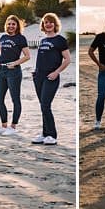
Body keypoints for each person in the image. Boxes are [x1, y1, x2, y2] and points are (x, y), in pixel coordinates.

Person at [32, 13, 71, 145]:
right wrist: (35, 71)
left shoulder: (60, 40)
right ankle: (44, 134)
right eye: (45, 22)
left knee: (45, 105)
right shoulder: (43, 40)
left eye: (50, 22)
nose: (48, 24)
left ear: (55, 24)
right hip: (38, 77)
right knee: (42, 106)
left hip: (51, 77)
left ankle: (52, 135)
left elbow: (67, 59)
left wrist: (56, 72)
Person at [0, 15, 30, 135]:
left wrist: (15, 63)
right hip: (2, 71)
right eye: (9, 24)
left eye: (13, 24)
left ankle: (13, 127)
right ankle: (4, 125)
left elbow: (27, 56)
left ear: (17, 26)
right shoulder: (3, 37)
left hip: (14, 72)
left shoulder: (21, 38)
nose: (11, 26)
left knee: (15, 99)